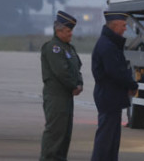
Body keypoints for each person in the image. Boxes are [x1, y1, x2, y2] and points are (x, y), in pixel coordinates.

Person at [90, 11, 138, 161]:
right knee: (106, 139)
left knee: (111, 139)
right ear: (115, 25)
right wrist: (131, 84)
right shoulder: (107, 46)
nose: (125, 28)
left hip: (110, 95)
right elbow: (115, 71)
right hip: (109, 96)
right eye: (123, 25)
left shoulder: (109, 43)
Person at [40, 11, 83, 161]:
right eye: (68, 30)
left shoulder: (68, 48)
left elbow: (77, 68)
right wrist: (74, 85)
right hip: (56, 97)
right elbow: (61, 71)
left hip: (66, 97)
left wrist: (80, 83)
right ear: (58, 30)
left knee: (65, 134)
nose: (71, 34)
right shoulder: (54, 47)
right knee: (55, 133)